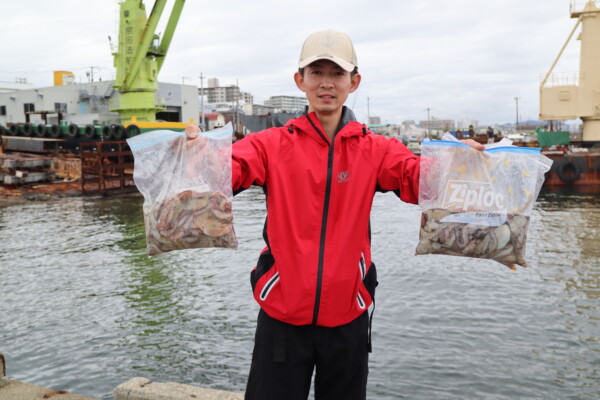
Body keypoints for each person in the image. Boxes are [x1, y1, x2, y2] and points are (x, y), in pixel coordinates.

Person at [186, 29, 484, 400]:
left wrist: (455, 165)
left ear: (353, 82)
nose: (326, 83)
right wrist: (201, 153)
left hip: (349, 317)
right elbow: (231, 169)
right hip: (282, 317)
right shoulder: (271, 144)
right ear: (300, 80)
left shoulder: (376, 149)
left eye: (337, 74)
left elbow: (415, 176)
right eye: (316, 72)